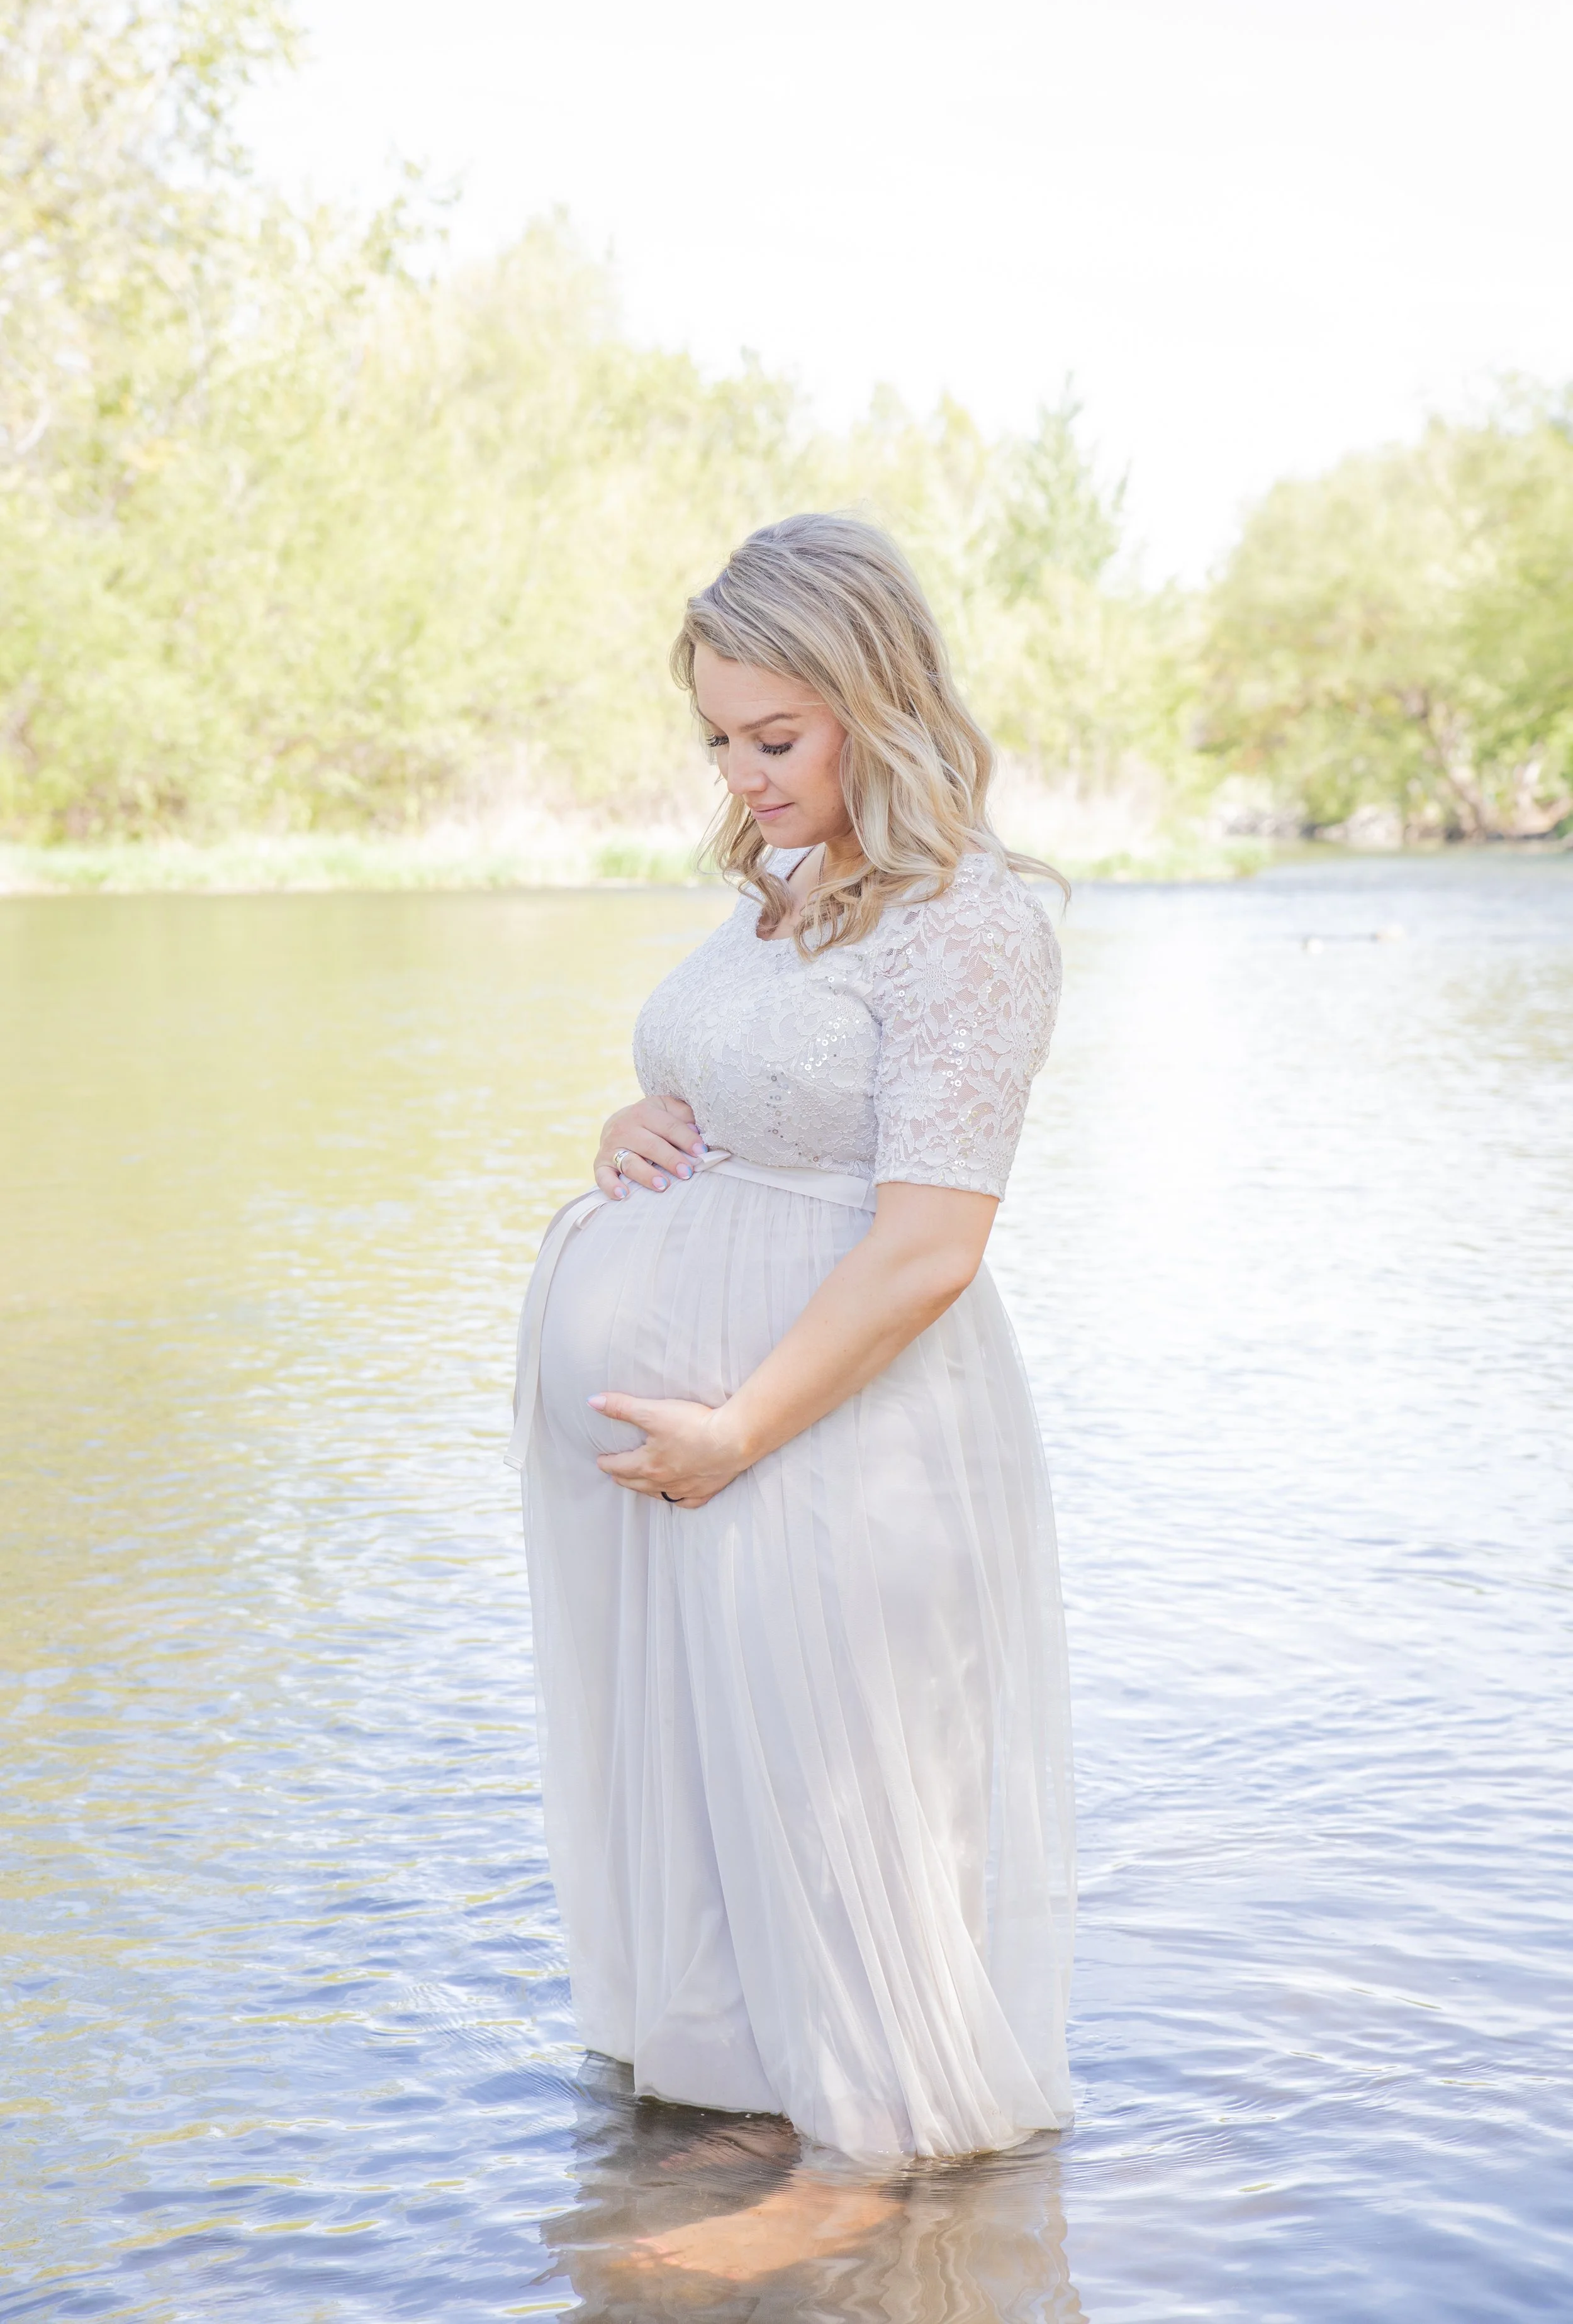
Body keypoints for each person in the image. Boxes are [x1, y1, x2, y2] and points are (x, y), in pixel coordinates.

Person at [507, 511, 1075, 2180]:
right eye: (717, 740)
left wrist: (735, 1427)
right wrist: (634, 1121)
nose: (741, 775)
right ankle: (753, 2148)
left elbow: (931, 1241)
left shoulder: (969, 923)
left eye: (775, 737)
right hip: (713, 1456)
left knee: (842, 1835)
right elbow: (751, 1093)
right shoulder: (785, 881)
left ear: (874, 701)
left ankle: (882, 2190)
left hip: (827, 1445)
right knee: (714, 1821)